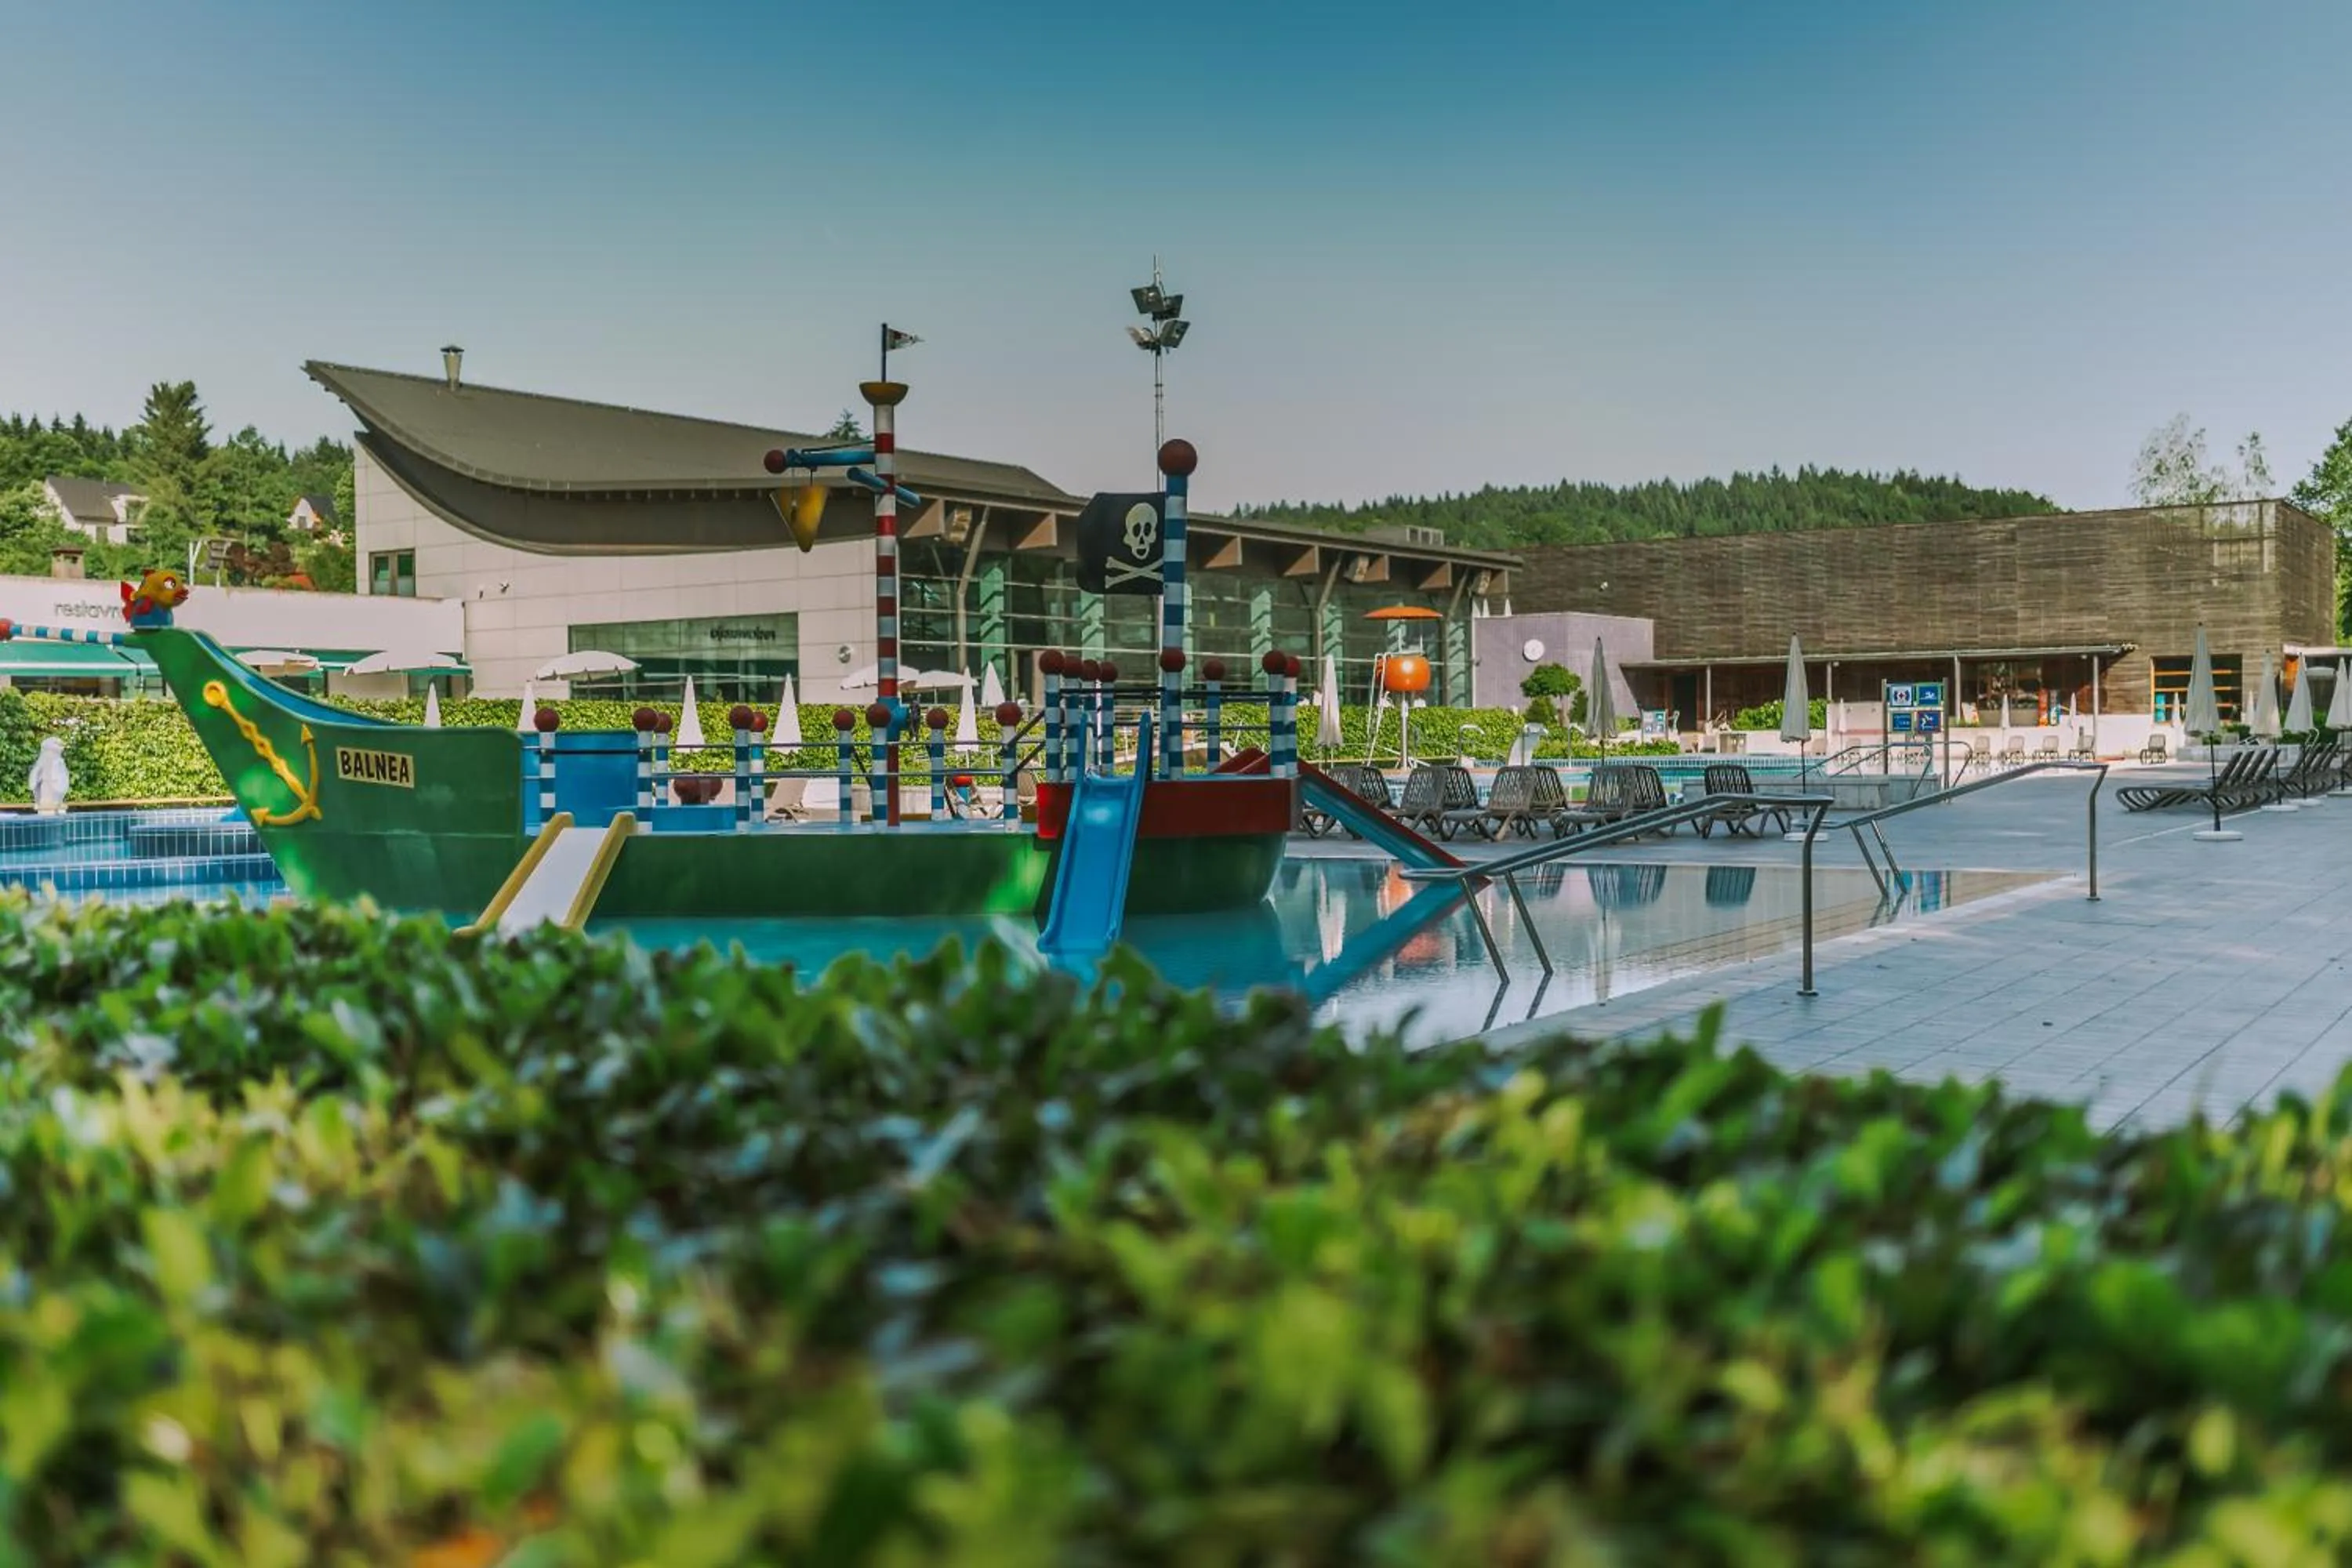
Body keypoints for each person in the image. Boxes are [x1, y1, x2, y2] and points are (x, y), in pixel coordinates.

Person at [28, 736, 67, 814]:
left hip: (57, 798)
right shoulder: (44, 760)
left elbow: (63, 780)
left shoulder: (59, 761)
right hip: (45, 798)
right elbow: (34, 778)